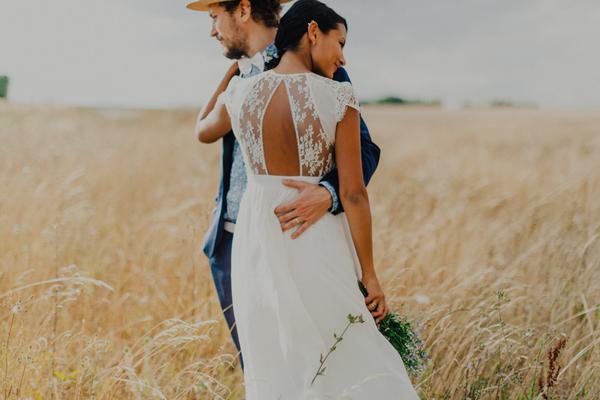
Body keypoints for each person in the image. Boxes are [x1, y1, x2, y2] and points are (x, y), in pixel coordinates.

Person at [195, 0, 421, 397]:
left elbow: (365, 155)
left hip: (282, 233)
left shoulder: (297, 80)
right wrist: (370, 275)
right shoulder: (310, 90)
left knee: (303, 359)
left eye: (215, 17)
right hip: (253, 241)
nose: (213, 30)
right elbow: (356, 192)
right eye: (342, 43)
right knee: (292, 356)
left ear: (244, 10)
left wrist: (326, 193)